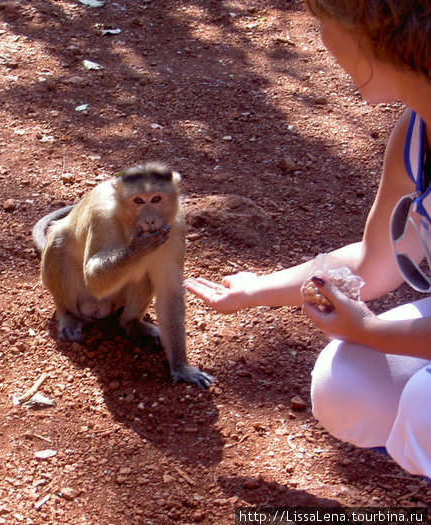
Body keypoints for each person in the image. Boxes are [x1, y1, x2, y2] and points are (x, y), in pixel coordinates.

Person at [184, 0, 431, 479]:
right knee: (348, 387)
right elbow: (374, 261)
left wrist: (371, 331)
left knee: (425, 406)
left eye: (325, 22)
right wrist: (256, 290)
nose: (320, 37)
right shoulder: (416, 132)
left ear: (379, 35)